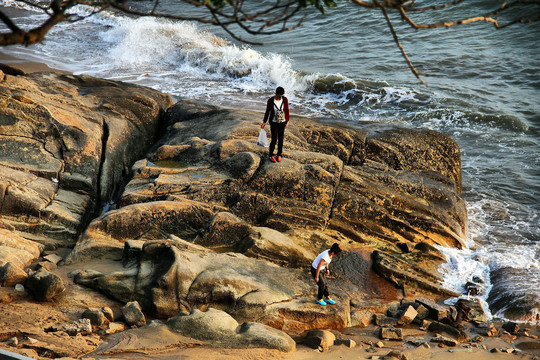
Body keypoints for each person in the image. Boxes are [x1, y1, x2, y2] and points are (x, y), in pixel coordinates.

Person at [261, 86, 290, 163]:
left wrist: (287, 120)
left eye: (282, 96)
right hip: (273, 123)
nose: (281, 98)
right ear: (276, 94)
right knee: (274, 139)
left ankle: (279, 154)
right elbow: (267, 112)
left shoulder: (285, 99)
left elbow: (287, 110)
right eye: (279, 96)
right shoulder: (270, 101)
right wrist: (264, 122)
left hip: (282, 122)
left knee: (281, 139)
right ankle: (270, 155)